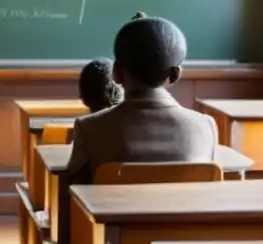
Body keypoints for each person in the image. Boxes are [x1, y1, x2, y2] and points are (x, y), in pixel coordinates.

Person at [65, 12, 218, 182]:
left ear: (116, 73)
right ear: (174, 75)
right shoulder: (205, 127)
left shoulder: (89, 130)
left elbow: (71, 198)